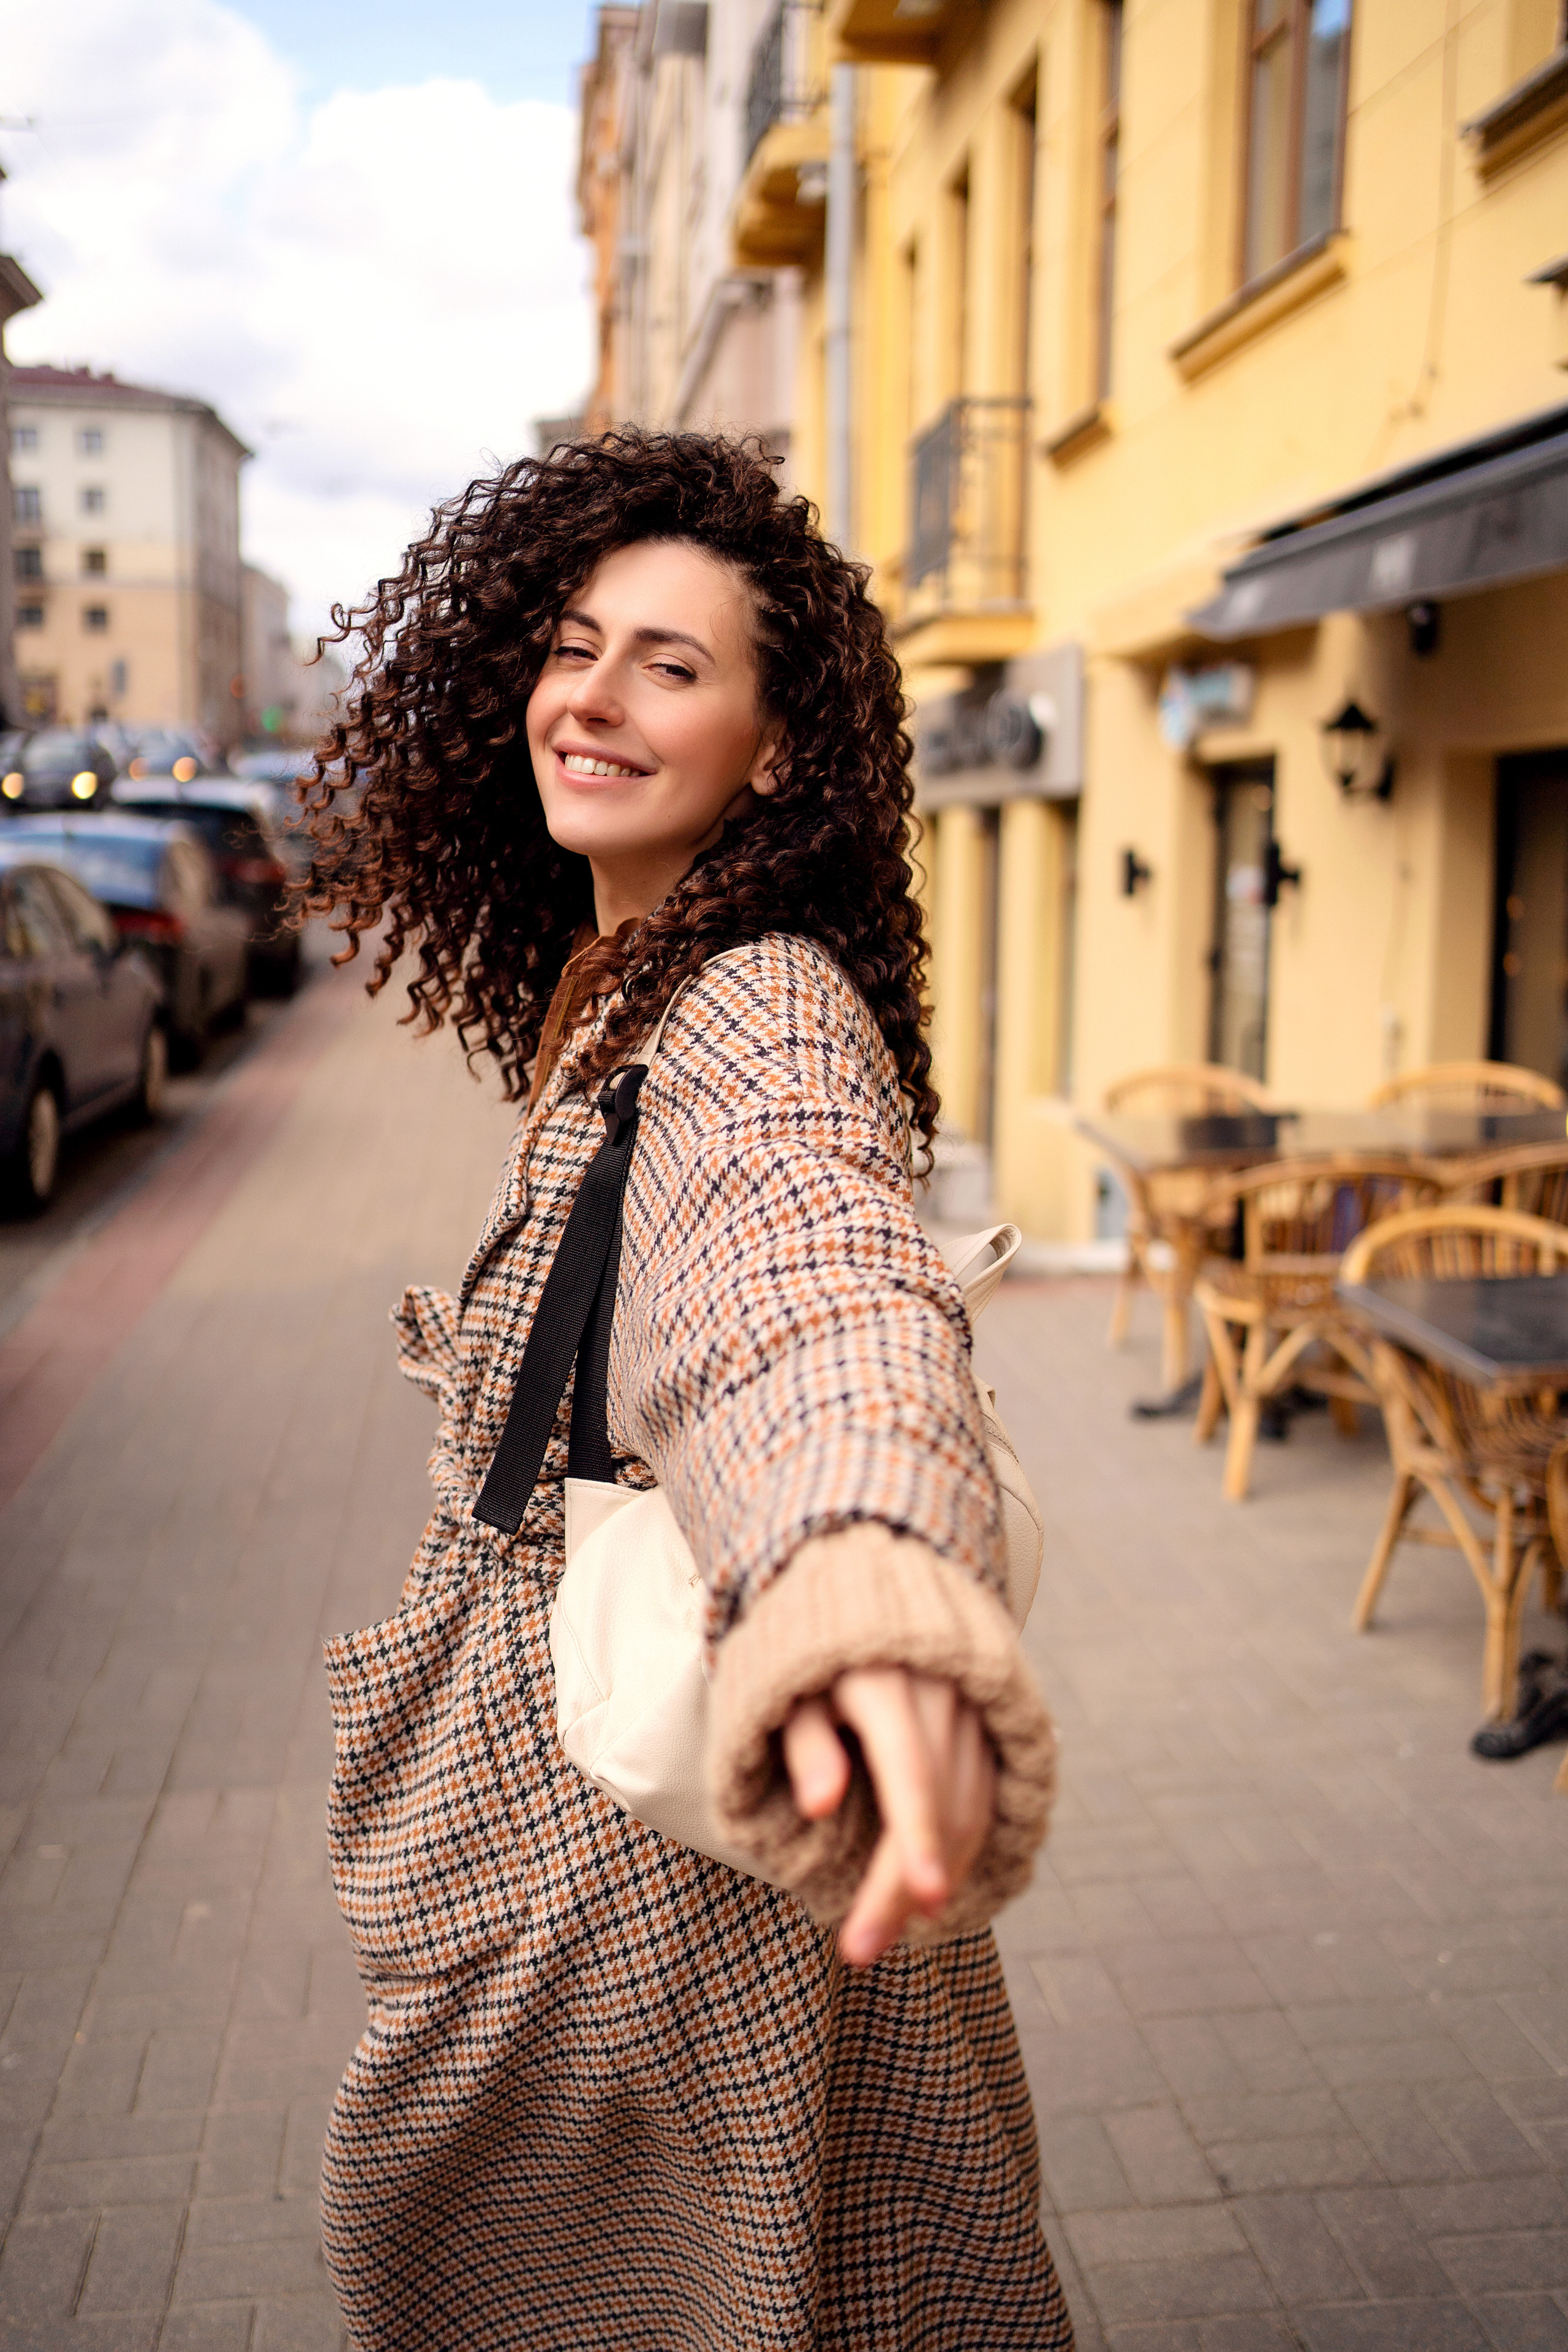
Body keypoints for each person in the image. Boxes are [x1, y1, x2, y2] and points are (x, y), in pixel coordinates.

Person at [300, 431, 1071, 2350]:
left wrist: (866, 1576)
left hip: (657, 1883)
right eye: (574, 647)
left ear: (775, 744)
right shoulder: (626, 976)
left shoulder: (756, 1004)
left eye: (674, 663)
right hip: (613, 1829)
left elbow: (797, 1283)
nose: (597, 697)